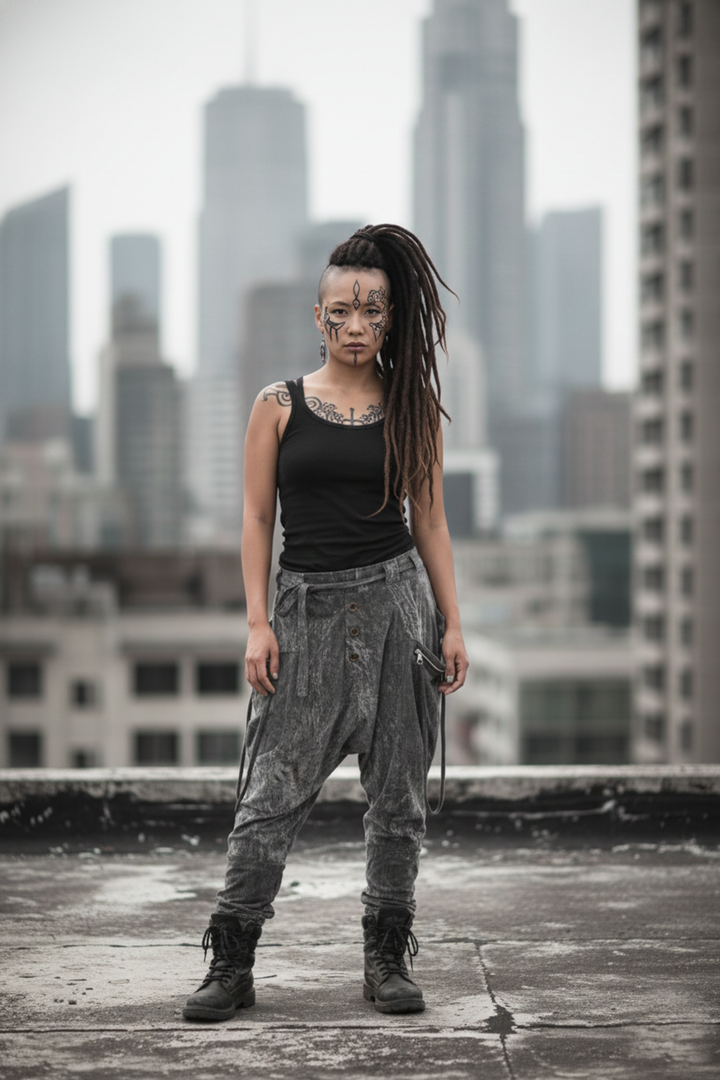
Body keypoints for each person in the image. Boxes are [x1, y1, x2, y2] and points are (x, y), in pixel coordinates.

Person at [183, 223, 469, 1022]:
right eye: (341, 309)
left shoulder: (415, 409)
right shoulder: (277, 405)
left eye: (371, 311)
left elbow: (434, 524)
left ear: (389, 319)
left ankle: (385, 961)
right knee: (269, 796)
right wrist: (255, 623)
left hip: (397, 614)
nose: (355, 324)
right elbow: (254, 519)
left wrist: (451, 624)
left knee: (399, 801)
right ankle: (231, 964)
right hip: (302, 617)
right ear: (318, 316)